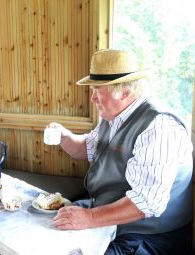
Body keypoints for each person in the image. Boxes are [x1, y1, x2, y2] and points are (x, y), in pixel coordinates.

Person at [50, 49, 193, 254]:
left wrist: (88, 218)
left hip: (149, 236)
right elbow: (87, 148)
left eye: (98, 90)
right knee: (49, 228)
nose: (93, 98)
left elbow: (146, 203)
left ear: (125, 92)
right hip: (109, 216)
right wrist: (64, 136)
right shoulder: (114, 116)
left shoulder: (159, 128)